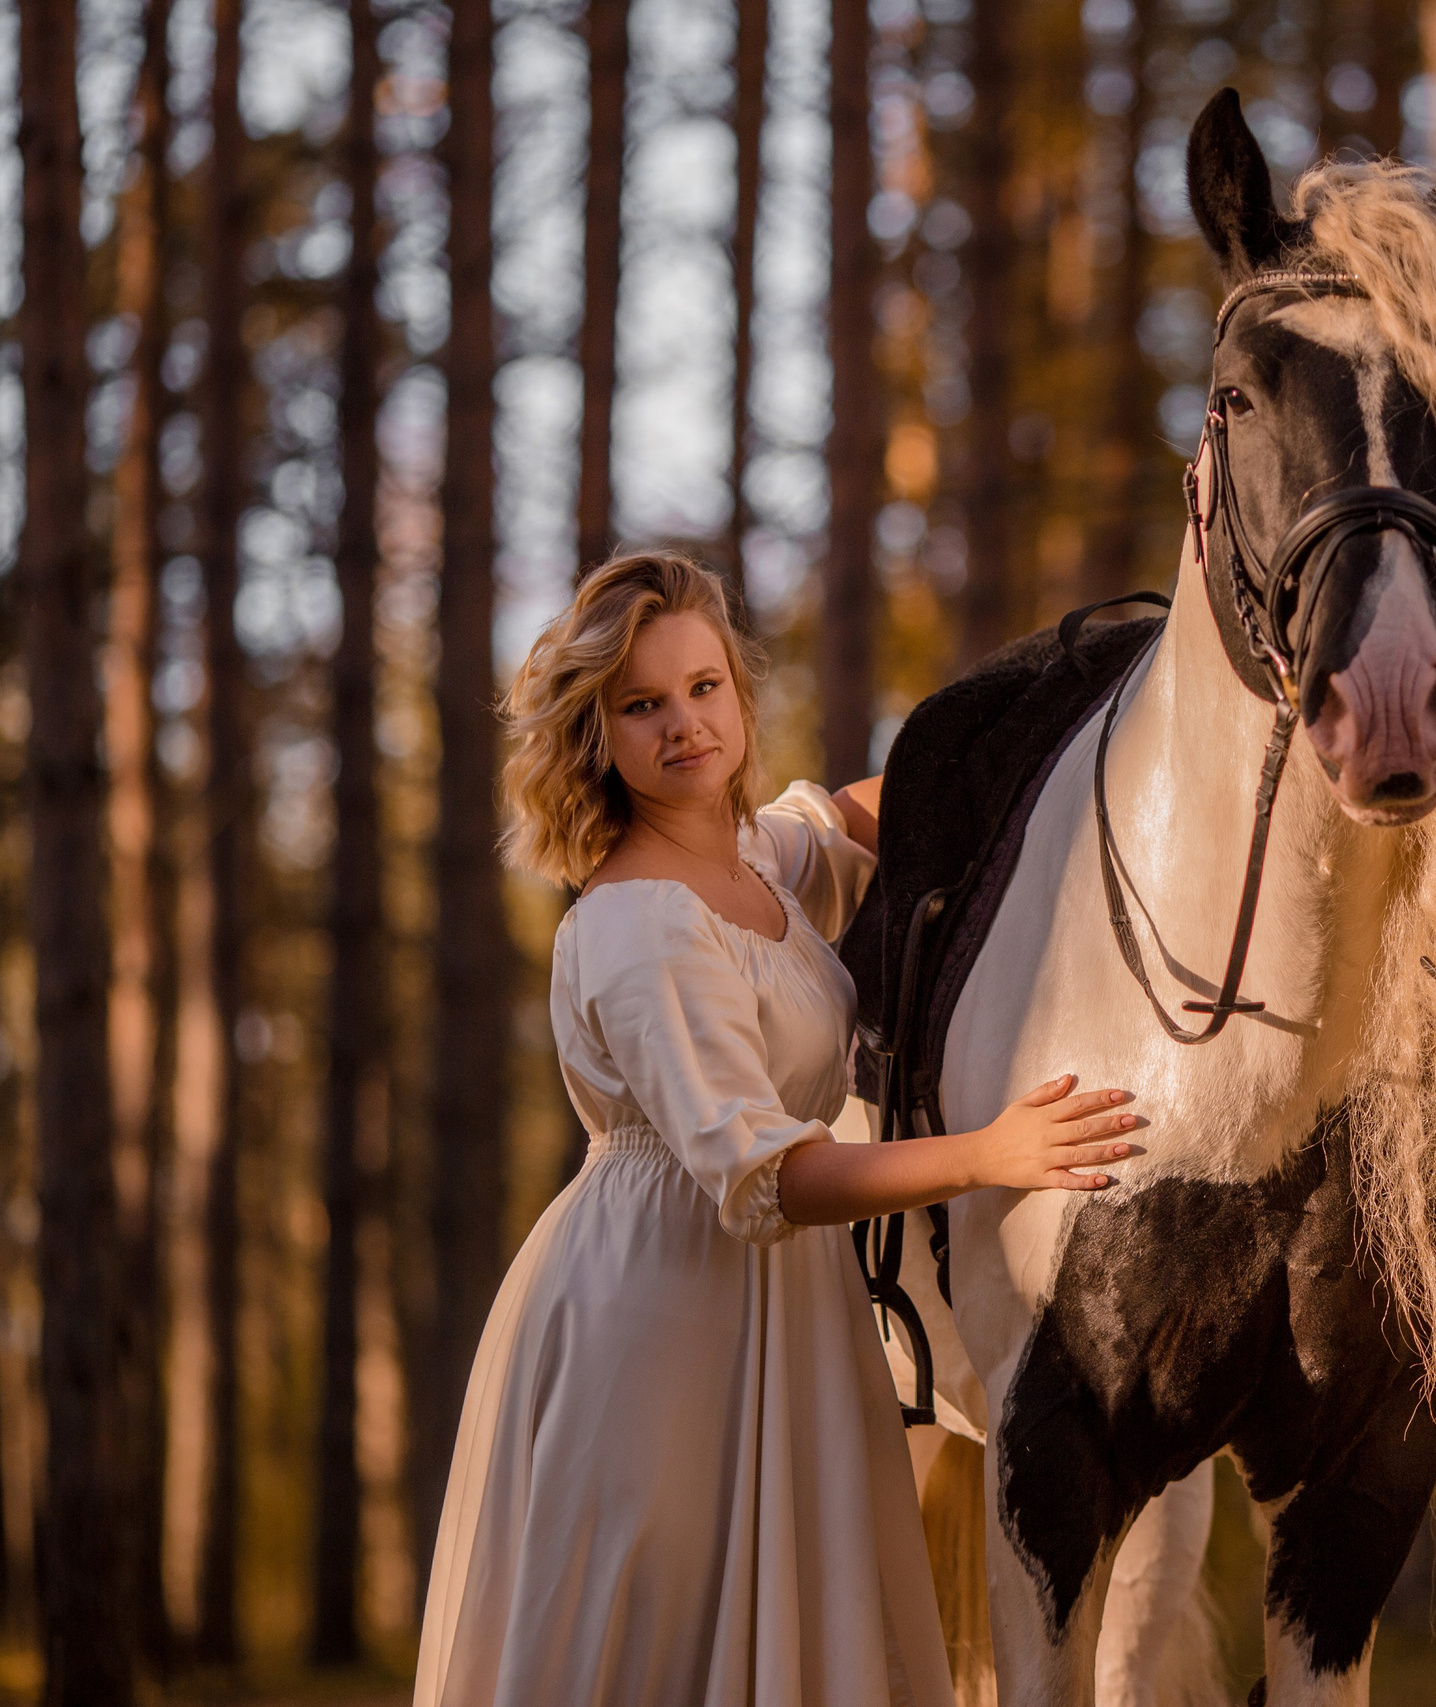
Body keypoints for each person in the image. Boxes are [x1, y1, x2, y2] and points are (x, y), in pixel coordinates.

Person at [413, 552, 1140, 1706]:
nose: (684, 726)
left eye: (703, 687)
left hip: (777, 1302)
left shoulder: (749, 860)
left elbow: (854, 813)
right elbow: (764, 1180)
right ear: (597, 734)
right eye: (640, 706)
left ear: (739, 693)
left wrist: (1079, 702)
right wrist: (989, 1155)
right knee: (656, 1630)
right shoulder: (640, 925)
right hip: (652, 1315)